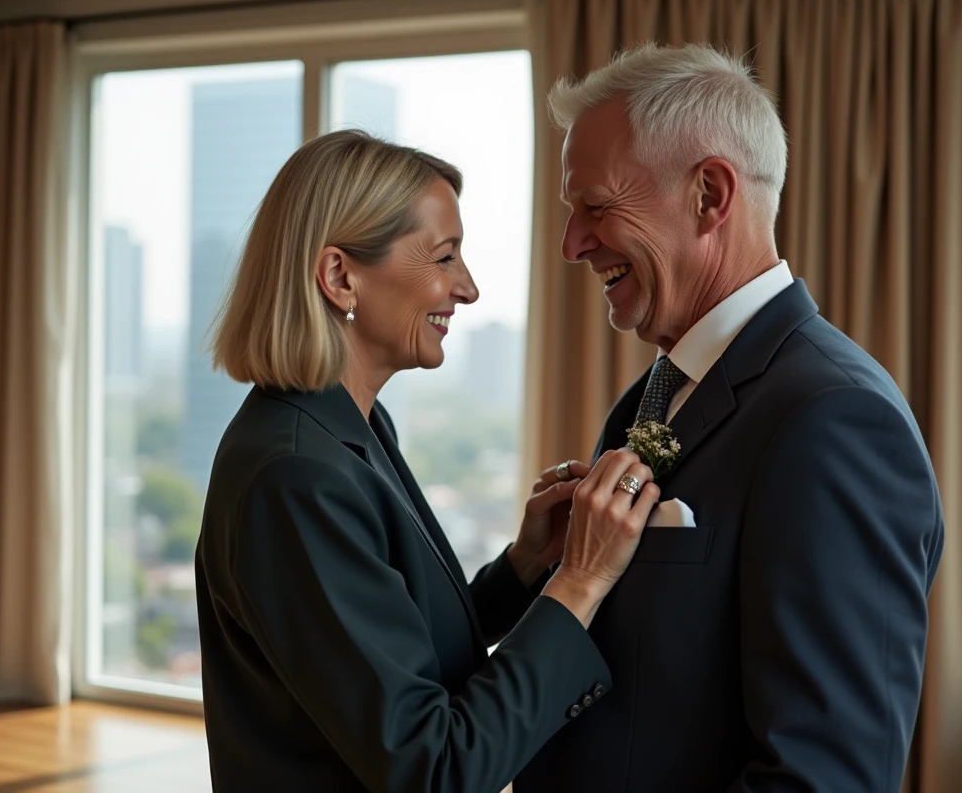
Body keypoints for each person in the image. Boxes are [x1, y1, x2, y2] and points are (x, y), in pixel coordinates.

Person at [516, 44, 945, 792]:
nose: (572, 244)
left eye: (596, 206)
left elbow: (823, 778)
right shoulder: (648, 398)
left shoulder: (836, 419)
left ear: (709, 196)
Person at [194, 129, 660, 791]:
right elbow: (433, 768)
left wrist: (525, 567)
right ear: (340, 277)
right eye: (444, 257)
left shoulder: (353, 425)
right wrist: (580, 580)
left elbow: (392, 650)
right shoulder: (295, 476)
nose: (467, 288)